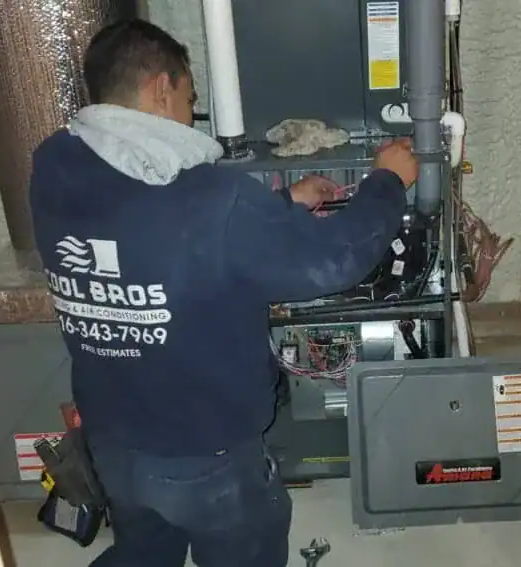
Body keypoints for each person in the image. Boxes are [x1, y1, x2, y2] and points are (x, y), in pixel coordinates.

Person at [28, 18, 418, 567]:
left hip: (112, 439)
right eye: (189, 96)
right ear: (162, 87)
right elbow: (332, 262)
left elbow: (155, 243)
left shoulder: (52, 166)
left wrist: (278, 207)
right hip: (206, 454)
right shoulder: (215, 198)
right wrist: (386, 183)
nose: (191, 112)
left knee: (145, 550)